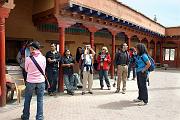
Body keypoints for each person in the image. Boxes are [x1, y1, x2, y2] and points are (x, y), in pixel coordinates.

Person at [21, 41, 46, 120]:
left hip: (30, 82)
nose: (29, 49)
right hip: (41, 81)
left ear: (33, 48)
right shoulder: (43, 58)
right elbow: (43, 69)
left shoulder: (28, 59)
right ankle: (39, 117)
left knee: (27, 99)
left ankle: (25, 116)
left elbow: (26, 69)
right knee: (40, 100)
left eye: (30, 48)